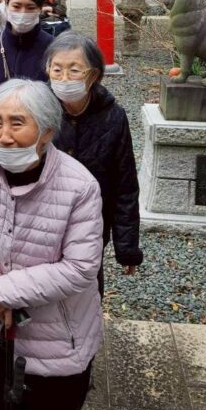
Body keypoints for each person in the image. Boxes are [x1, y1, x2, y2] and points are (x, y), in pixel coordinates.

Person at [0, 79, 104, 410]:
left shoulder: (80, 187)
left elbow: (81, 267)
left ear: (47, 132)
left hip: (54, 344)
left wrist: (7, 291)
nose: (4, 136)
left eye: (17, 123)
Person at [45, 32, 142, 295]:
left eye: (74, 70)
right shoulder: (38, 109)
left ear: (94, 75)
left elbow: (125, 184)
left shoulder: (113, 117)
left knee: (86, 294)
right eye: (57, 69)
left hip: (92, 225)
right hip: (42, 223)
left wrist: (127, 248)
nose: (64, 78)